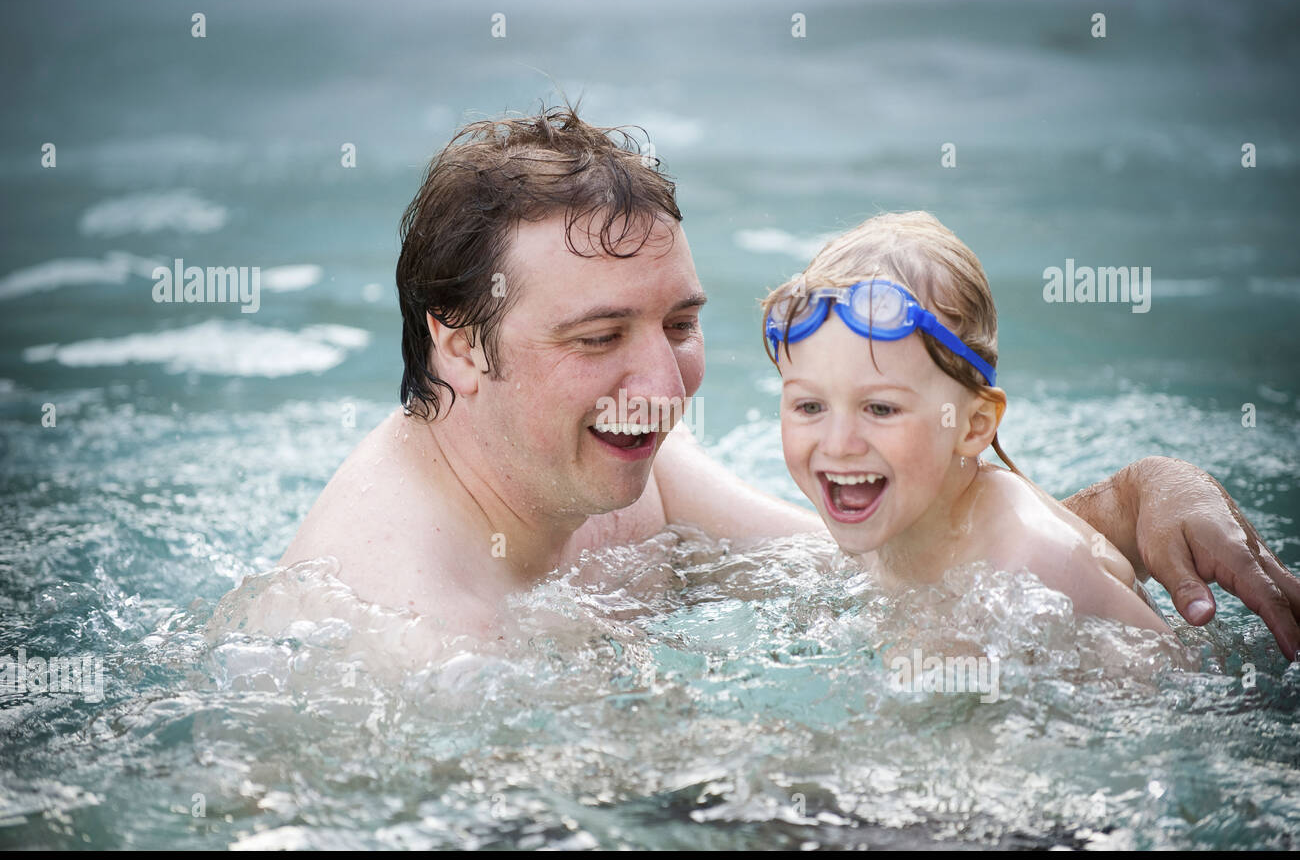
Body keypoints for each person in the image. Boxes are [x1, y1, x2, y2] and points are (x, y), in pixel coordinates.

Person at [279, 106, 1300, 660]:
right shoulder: (415, 639)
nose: (660, 382)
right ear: (457, 343)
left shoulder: (622, 471)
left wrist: (1133, 496)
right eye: (598, 336)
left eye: (679, 323)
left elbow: (906, 546)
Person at [765, 211, 1169, 633]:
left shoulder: (1032, 564)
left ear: (974, 424)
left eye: (880, 409)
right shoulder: (878, 517)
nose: (837, 444)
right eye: (810, 407)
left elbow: (1175, 684)